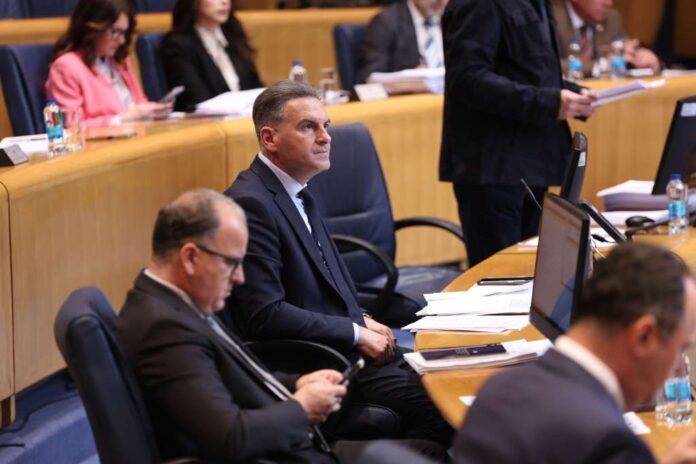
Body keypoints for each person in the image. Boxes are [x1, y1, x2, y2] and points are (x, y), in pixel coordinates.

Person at [115, 189, 445, 463]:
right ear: (190, 258)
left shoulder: (176, 304)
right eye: (232, 263)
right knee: (429, 454)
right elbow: (230, 438)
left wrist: (298, 381)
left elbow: (232, 379)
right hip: (277, 454)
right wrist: (302, 408)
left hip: (290, 444)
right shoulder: (164, 329)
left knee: (429, 449)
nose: (240, 278)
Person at [224, 81, 453, 447]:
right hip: (317, 364)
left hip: (342, 345)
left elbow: (323, 285)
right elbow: (265, 314)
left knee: (453, 375)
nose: (325, 137)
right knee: (443, 407)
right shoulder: (252, 205)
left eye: (326, 125)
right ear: (269, 138)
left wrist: (361, 317)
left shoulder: (298, 190)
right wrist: (355, 332)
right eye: (308, 127)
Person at [454, 243, 696, 463]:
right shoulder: (612, 445)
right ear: (644, 336)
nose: (679, 367)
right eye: (681, 348)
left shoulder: (498, 390)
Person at [439, 0, 596, 267]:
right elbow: (467, 78)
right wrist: (549, 102)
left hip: (533, 162)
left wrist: (572, 94)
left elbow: (528, 72)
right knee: (500, 278)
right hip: (492, 167)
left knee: (532, 276)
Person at [45, 0, 170, 127]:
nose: (121, 40)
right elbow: (71, 125)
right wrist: (122, 119)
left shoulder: (119, 60)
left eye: (124, 33)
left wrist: (154, 110)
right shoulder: (66, 67)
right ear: (92, 29)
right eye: (115, 32)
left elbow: (138, 103)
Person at [159, 0, 263, 112]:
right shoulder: (178, 45)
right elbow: (196, 99)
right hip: (205, 120)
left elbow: (256, 87)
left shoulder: (233, 35)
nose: (224, 2)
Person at [552, 0, 661, 75]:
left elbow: (626, 50)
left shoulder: (611, 18)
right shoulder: (551, 19)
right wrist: (602, 65)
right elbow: (548, 66)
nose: (609, 3)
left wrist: (640, 56)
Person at [357, 0, 447, 84]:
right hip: (412, 94)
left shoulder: (448, 18)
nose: (440, 1)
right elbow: (370, 78)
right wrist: (412, 78)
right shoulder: (386, 22)